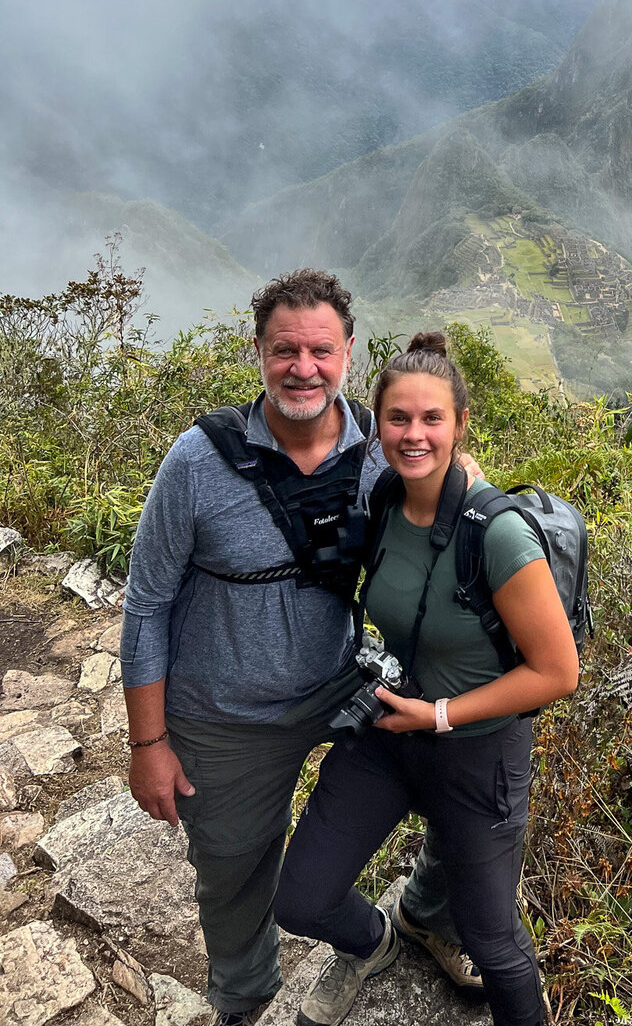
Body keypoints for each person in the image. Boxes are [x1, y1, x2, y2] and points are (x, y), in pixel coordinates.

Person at [120, 270, 479, 1026]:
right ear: (258, 352)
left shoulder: (382, 453)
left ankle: (429, 914)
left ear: (350, 353)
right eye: (286, 350)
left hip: (340, 680)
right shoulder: (198, 461)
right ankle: (247, 1000)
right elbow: (148, 602)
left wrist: (469, 485)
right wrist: (148, 740)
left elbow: (456, 507)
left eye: (321, 350)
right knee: (230, 872)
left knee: (465, 765)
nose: (304, 368)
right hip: (223, 712)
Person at [274, 332, 579, 1026]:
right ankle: (385, 938)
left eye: (432, 418)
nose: (414, 435)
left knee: (495, 947)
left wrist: (440, 715)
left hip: (477, 751)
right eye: (398, 419)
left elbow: (559, 673)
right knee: (300, 897)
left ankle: (431, 921)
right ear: (375, 425)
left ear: (461, 424)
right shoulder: (382, 497)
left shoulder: (496, 534)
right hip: (393, 730)